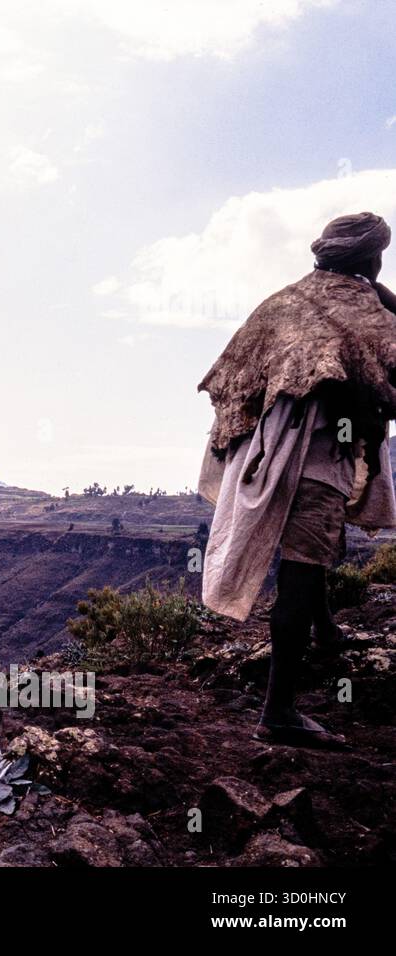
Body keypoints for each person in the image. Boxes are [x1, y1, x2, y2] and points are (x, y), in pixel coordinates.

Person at [198, 212, 396, 747]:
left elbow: (238, 376)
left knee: (313, 549)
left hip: (267, 452)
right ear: (373, 258)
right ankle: (278, 712)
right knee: (303, 569)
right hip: (318, 456)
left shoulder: (282, 301)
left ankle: (327, 631)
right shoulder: (369, 313)